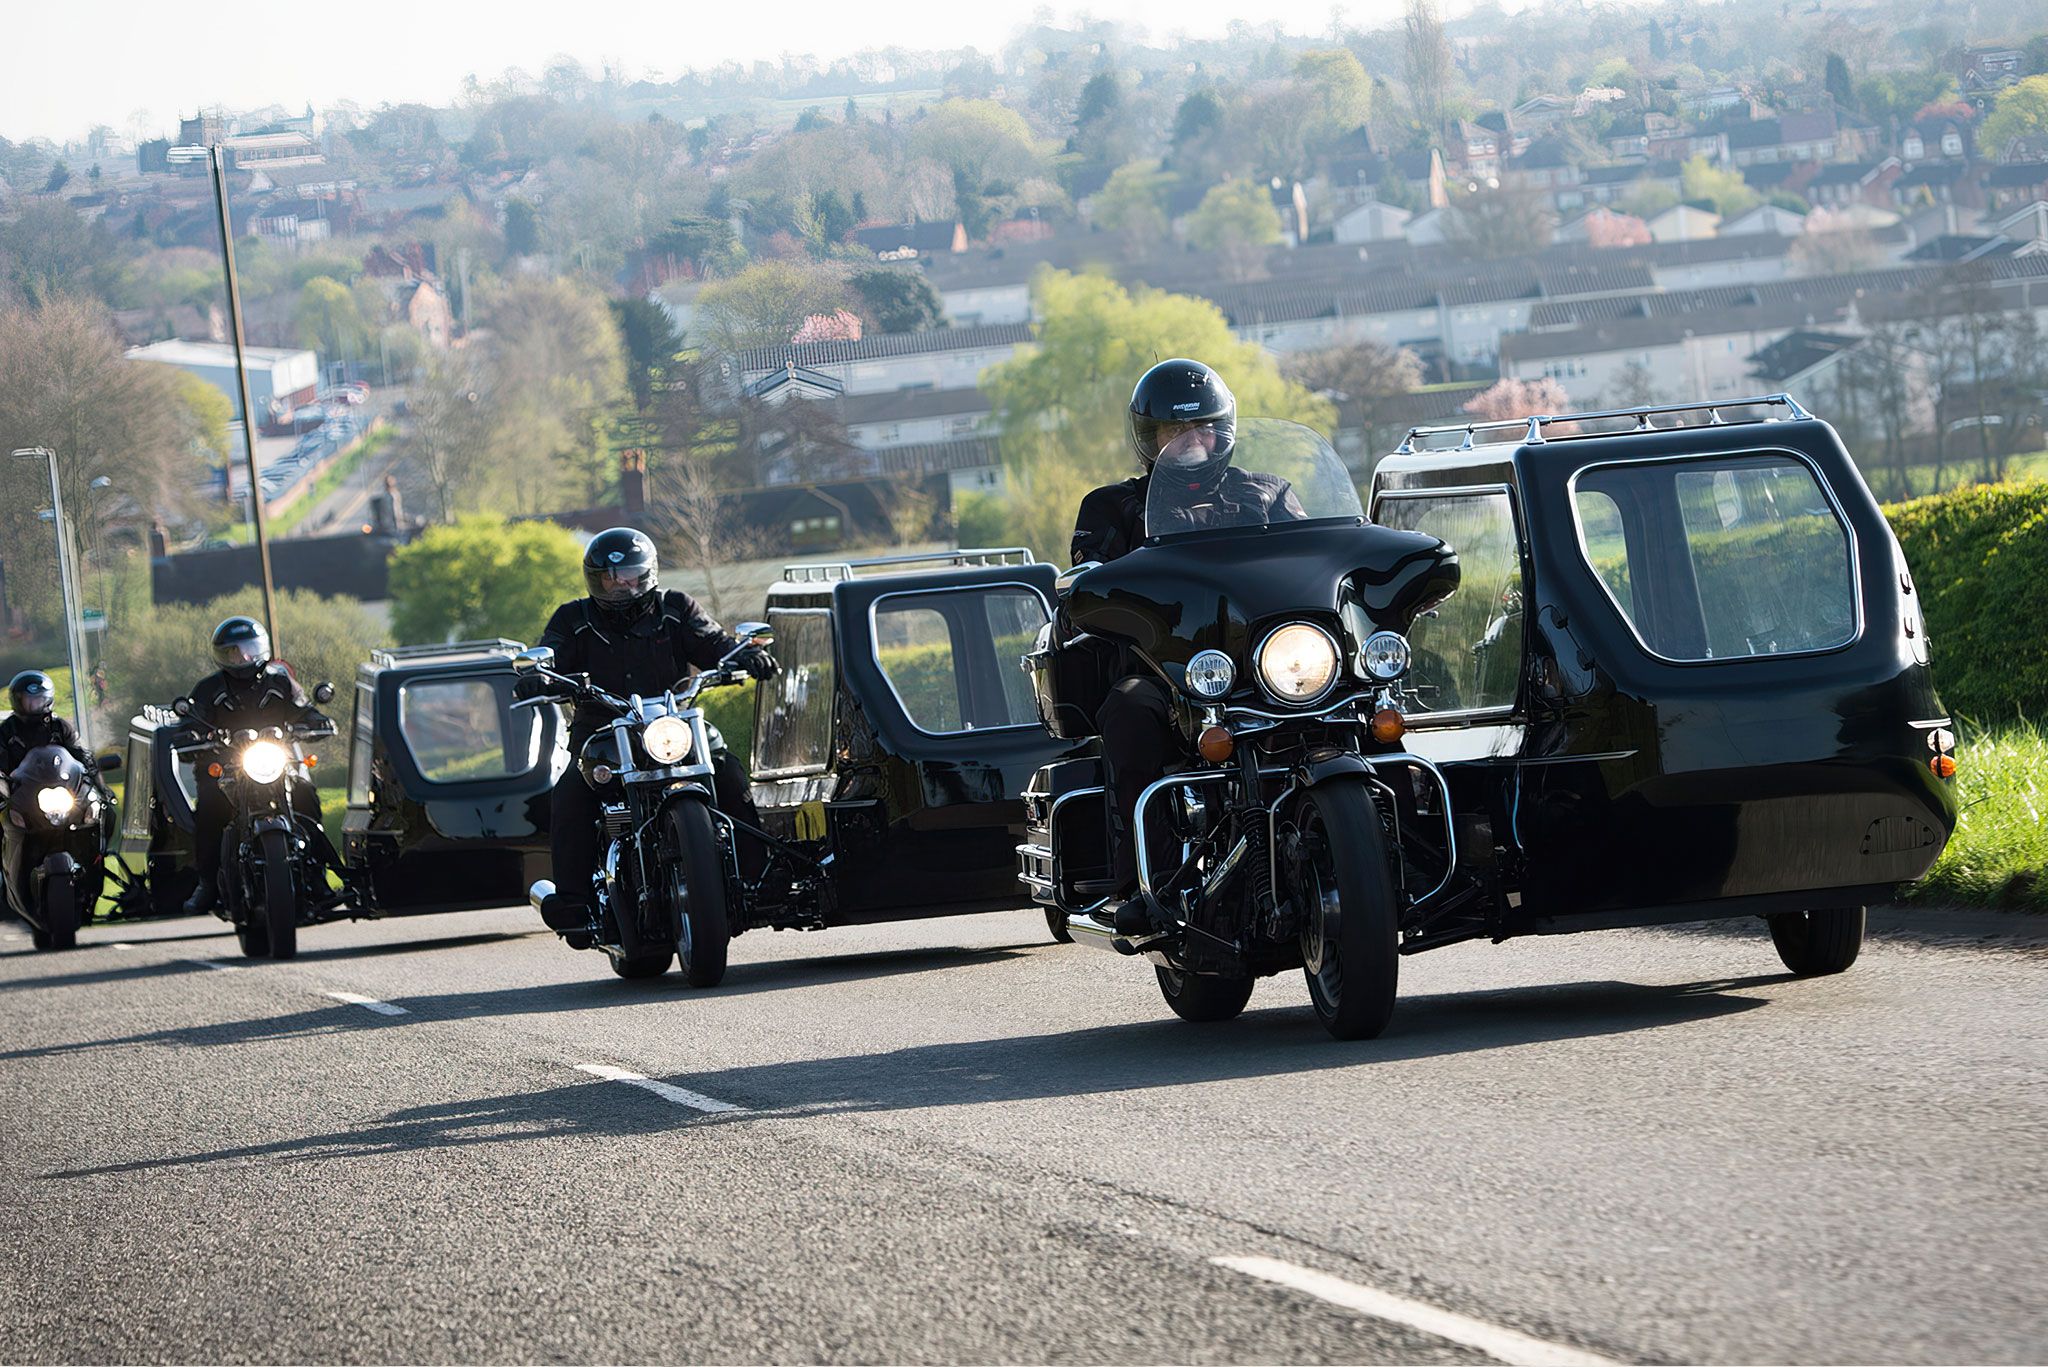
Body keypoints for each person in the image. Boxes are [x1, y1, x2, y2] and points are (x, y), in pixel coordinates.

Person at [1068, 358, 1305, 936]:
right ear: (1150, 439)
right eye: (1174, 433)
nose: (1189, 443)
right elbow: (1088, 583)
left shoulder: (1268, 495)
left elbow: (1312, 562)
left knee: (1359, 701)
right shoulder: (1113, 508)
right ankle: (1143, 880)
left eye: (1201, 429)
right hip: (1167, 674)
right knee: (1128, 709)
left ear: (1223, 430)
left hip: (1266, 670)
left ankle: (1391, 844)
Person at [522, 527, 778, 933]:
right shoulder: (574, 619)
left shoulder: (675, 608)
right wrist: (541, 675)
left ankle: (761, 879)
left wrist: (743, 654)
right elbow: (550, 652)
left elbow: (713, 642)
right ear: (596, 579)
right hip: (601, 735)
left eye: (632, 576)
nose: (623, 586)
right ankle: (574, 904)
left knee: (726, 770)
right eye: (611, 578)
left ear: (649, 573)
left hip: (669, 726)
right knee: (570, 792)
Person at [180, 617, 335, 915]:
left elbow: (303, 708)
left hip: (278, 761)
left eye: (248, 649)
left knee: (305, 794)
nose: (243, 658)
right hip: (229, 766)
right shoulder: (209, 688)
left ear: (260, 648)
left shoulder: (280, 682)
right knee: (211, 807)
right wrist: (190, 734)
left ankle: (317, 876)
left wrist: (316, 721)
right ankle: (208, 883)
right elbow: (193, 718)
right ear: (221, 656)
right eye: (233, 652)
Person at [0, 671, 100, 919]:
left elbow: (80, 756)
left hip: (60, 795)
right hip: (23, 798)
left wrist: (97, 783)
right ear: (17, 701)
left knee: (96, 813)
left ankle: (96, 864)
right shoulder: (6, 731)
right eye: (29, 701)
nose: (35, 706)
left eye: (40, 700)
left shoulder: (60, 727)